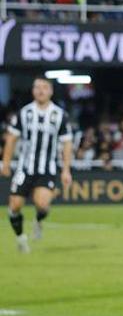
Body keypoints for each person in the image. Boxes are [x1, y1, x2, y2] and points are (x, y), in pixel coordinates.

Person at [2, 78, 73, 253]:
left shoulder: (60, 115)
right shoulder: (24, 113)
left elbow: (67, 143)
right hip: (24, 168)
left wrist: (66, 170)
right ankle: (21, 239)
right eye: (37, 87)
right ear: (33, 90)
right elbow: (11, 139)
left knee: (42, 204)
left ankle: (38, 221)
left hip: (47, 168)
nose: (41, 91)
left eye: (45, 87)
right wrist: (6, 163)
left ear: (51, 91)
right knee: (15, 205)